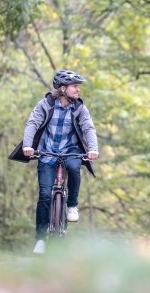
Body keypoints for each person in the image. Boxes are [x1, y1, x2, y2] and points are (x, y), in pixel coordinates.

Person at [9, 70, 99, 254]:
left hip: (71, 150)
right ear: (63, 88)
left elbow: (88, 127)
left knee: (75, 168)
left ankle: (72, 205)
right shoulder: (47, 104)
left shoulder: (79, 108)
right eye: (75, 86)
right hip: (47, 151)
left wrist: (93, 148)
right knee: (44, 195)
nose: (78, 90)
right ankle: (41, 239)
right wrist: (28, 146)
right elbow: (32, 123)